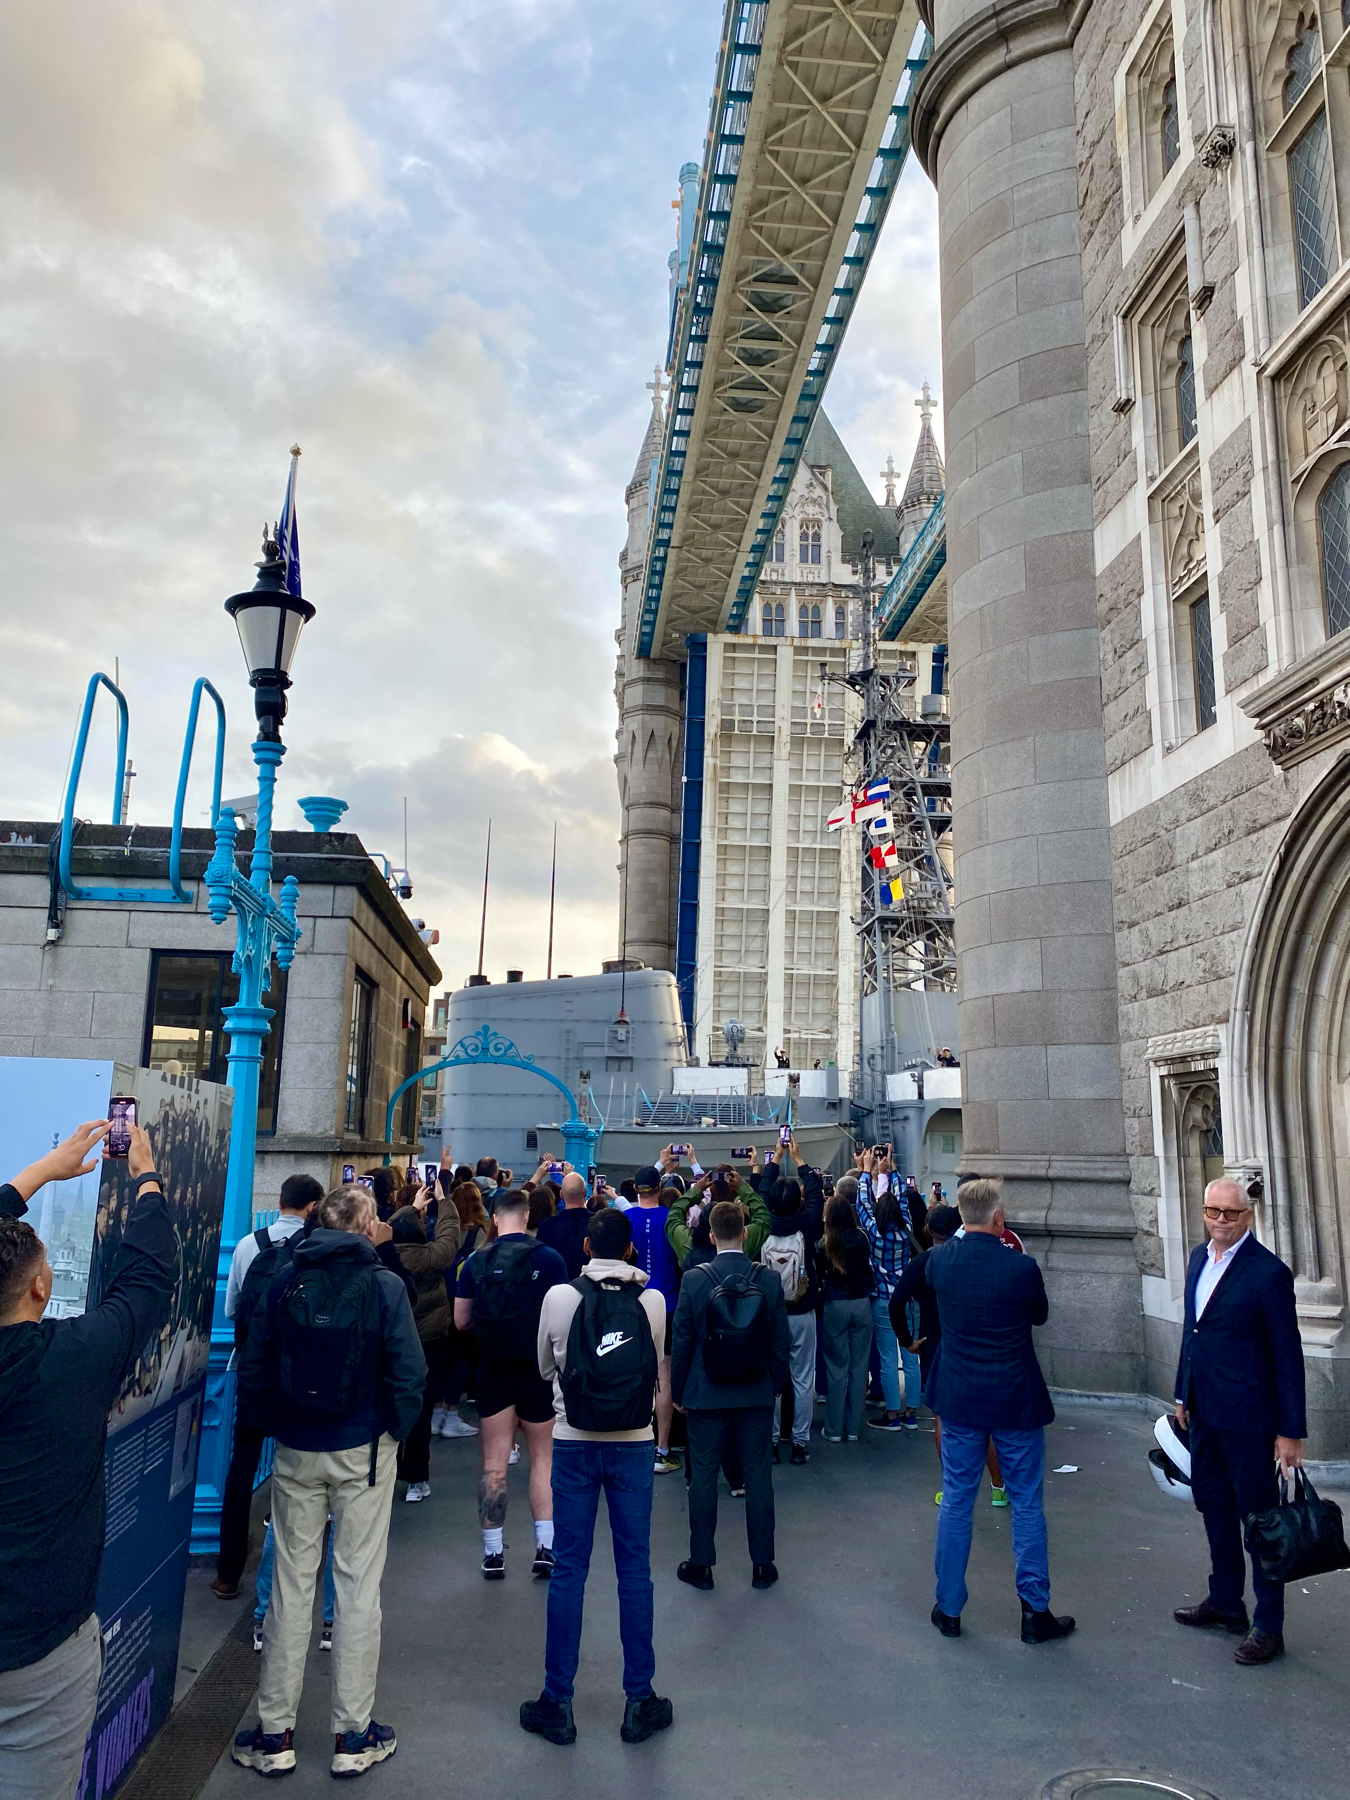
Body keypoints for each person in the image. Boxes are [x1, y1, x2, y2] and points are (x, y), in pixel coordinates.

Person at [0, 1121, 174, 1800]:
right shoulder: (72, 1360)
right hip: (41, 1646)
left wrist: (39, 1171)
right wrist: (147, 1178)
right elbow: (146, 1278)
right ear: (41, 1287)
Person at [232, 1182, 426, 1779]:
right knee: (357, 1585)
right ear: (368, 1228)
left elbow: (257, 1359)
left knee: (292, 1583)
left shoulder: (285, 1278)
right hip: (364, 1450)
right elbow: (409, 1372)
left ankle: (274, 1733)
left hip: (295, 1449)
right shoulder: (386, 1286)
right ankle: (352, 1734)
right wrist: (390, 1431)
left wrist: (274, 1426)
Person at [521, 1206, 673, 1748]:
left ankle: (556, 1702)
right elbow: (655, 1364)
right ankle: (639, 1700)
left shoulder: (561, 1298)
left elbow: (544, 1367)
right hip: (632, 1446)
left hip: (573, 1444)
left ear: (586, 1248)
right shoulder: (651, 1301)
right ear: (630, 1250)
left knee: (568, 1572)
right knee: (635, 1571)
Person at [925, 1177, 1073, 1644]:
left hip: (959, 1396)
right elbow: (1039, 1316)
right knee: (1026, 1502)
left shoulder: (938, 1262)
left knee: (955, 1499)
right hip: (1013, 1397)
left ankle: (948, 1607)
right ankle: (1035, 1611)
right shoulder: (1021, 1268)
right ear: (998, 1217)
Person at [1172, 1177, 1306, 1666]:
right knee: (1213, 1508)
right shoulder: (1196, 1258)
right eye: (1213, 1211)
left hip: (1250, 1421)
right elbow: (1194, 1331)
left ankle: (1269, 1627)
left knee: (1261, 1523)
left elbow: (1287, 1356)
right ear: (1203, 1212)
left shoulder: (1268, 1273)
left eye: (1230, 1213)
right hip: (1204, 1413)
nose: (1221, 1220)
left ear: (1248, 1216)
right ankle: (1226, 1601)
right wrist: (1181, 1393)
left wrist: (1291, 1431)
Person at [213, 1173, 325, 1599]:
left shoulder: (248, 1245)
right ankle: (291, 1571)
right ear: (314, 1207)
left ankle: (228, 1572)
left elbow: (231, 1309)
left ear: (280, 1202)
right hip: (298, 1378)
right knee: (296, 1473)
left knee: (241, 1469)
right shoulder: (315, 1251)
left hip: (252, 1375)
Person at [671, 1200, 789, 1592]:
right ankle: (763, 1564)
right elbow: (779, 1341)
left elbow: (683, 1340)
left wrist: (678, 1390)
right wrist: (774, 1384)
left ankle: (702, 1563)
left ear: (711, 1236)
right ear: (744, 1232)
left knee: (703, 1475)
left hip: (706, 1392)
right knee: (758, 1477)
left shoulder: (694, 1279)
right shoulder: (768, 1279)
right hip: (754, 1390)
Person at [454, 1190, 568, 1580]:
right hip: (537, 1370)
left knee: (494, 1463)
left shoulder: (476, 1262)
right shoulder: (549, 1259)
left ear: (495, 1216)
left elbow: (460, 1320)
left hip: (493, 1370)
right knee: (544, 1460)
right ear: (527, 1215)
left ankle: (492, 1553)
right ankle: (546, 1546)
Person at [890, 1203, 1011, 1508]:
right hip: (973, 1341)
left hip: (934, 1343)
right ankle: (998, 1486)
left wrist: (907, 1341)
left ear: (928, 1230)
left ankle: (951, 1486)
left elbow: (896, 1302)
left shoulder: (924, 1262)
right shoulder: (968, 1257)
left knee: (943, 1417)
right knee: (984, 1419)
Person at [390, 1178, 461, 1503]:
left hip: (394, 1343)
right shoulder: (432, 1256)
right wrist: (443, 1201)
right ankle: (417, 1479)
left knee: (388, 1407)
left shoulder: (383, 1257)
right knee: (419, 1413)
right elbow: (449, 1235)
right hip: (430, 1342)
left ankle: (385, 1471)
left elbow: (386, 1227)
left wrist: (412, 1208)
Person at [760, 1161, 824, 1464]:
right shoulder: (806, 1224)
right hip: (803, 1308)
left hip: (771, 1313)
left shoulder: (763, 1224)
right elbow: (816, 1197)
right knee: (802, 1379)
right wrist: (802, 1165)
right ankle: (799, 1444)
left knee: (771, 1379)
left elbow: (758, 1196)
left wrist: (770, 1165)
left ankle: (771, 1442)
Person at [853, 1152, 918, 1432]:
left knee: (889, 1358)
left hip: (882, 1298)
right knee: (912, 1355)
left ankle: (891, 1414)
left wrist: (866, 1172)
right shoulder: (907, 1230)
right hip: (908, 1298)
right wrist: (891, 1171)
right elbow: (902, 1199)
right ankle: (912, 1411)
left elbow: (863, 1204)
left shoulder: (873, 1232)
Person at [628, 1162, 682, 1475]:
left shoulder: (625, 1218)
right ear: (659, 1190)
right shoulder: (669, 1218)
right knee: (664, 1377)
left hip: (635, 1303)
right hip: (668, 1304)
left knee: (635, 1375)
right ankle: (662, 1448)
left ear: (636, 1190)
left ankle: (634, 1442)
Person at [817, 1183, 873, 1442]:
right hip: (861, 1303)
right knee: (859, 1367)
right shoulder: (861, 1237)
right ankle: (852, 1428)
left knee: (836, 1367)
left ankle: (833, 1428)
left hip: (836, 1304)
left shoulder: (825, 1243)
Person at [537, 1171, 593, 1279]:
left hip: (556, 1287)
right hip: (591, 1287)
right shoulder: (598, 1223)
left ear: (561, 1195)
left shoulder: (547, 1227)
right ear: (585, 1192)